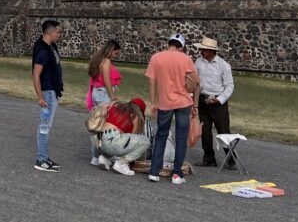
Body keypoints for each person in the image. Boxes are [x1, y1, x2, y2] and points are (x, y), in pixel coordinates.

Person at [146, 34, 199, 185]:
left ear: (168, 43)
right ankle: (176, 174)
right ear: (181, 46)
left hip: (164, 102)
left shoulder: (156, 58)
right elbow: (195, 80)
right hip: (183, 102)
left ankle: (154, 172)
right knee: (181, 137)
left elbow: (151, 81)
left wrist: (153, 102)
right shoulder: (185, 58)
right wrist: (195, 105)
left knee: (161, 135)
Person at [193, 36, 235, 169]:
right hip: (203, 100)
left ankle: (231, 160)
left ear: (211, 51)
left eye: (204, 50)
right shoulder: (198, 62)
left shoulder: (224, 65)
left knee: (223, 131)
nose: (201, 52)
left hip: (218, 103)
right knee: (205, 131)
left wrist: (220, 99)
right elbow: (195, 80)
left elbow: (229, 86)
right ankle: (209, 158)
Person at [32, 20, 63, 172]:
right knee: (44, 127)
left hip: (53, 92)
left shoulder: (50, 46)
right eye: (58, 32)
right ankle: (41, 160)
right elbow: (36, 75)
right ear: (51, 33)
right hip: (47, 93)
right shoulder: (42, 51)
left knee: (47, 126)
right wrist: (40, 97)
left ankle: (44, 157)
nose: (59, 35)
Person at [94, 98, 151, 176]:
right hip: (112, 140)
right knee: (145, 141)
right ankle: (121, 164)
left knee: (116, 141)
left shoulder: (116, 107)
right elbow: (133, 137)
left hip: (98, 139)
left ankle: (103, 158)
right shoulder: (135, 115)